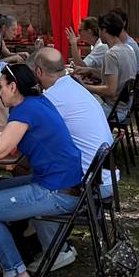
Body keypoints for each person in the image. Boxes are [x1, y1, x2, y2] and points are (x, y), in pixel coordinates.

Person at [0, 64, 83, 277]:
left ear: (13, 86)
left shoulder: (27, 111)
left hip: (56, 192)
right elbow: (11, 144)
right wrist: (1, 110)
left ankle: (16, 274)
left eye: (0, 86)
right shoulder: (35, 103)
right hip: (61, 182)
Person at [33, 46, 114, 212]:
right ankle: (36, 230)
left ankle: (43, 233)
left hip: (90, 183)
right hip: (105, 175)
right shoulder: (74, 86)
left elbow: (30, 138)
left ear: (39, 72)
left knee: (37, 176)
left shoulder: (52, 98)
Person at [79, 12, 135, 122]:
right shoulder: (128, 49)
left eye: (99, 30)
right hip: (125, 107)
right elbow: (116, 78)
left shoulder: (111, 54)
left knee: (75, 110)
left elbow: (110, 90)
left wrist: (83, 86)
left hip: (113, 111)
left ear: (104, 30)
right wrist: (90, 70)